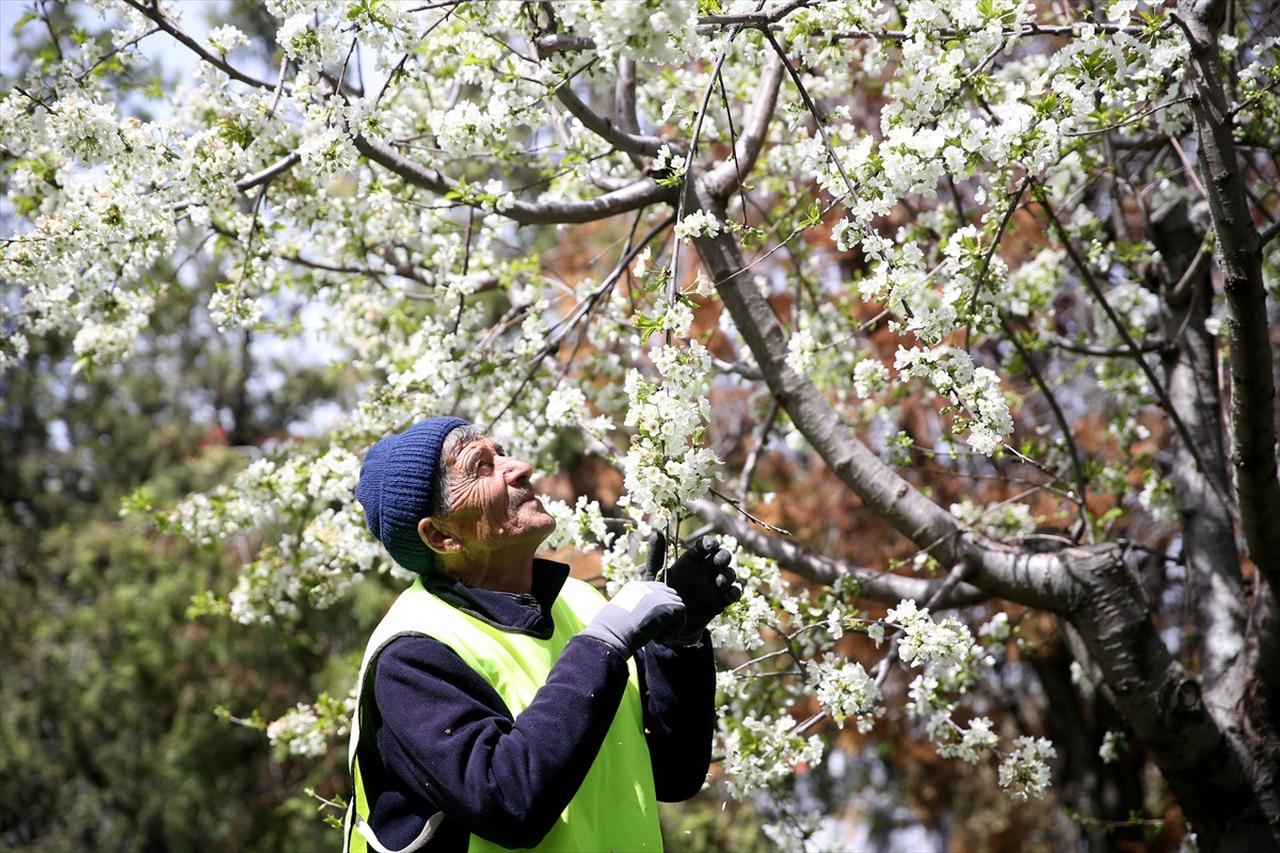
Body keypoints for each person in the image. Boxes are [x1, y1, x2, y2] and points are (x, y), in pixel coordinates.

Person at [344, 416, 741, 852]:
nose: (520, 467)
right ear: (441, 534)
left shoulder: (582, 604)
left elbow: (673, 775)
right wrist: (604, 645)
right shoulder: (413, 654)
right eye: (481, 466)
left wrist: (677, 644)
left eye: (501, 453)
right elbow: (508, 802)